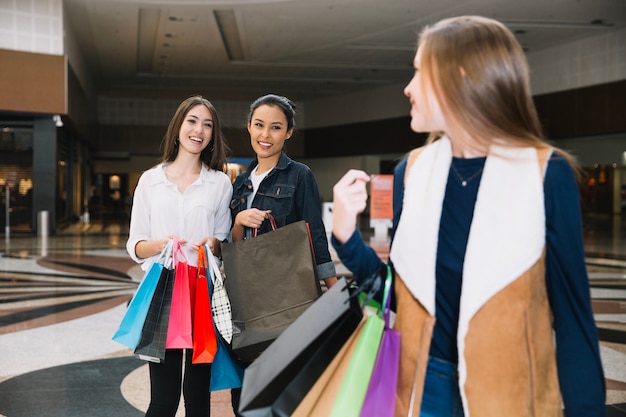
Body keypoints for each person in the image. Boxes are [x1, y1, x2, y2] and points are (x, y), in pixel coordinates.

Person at [331, 16, 606, 417]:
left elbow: (573, 321)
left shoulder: (544, 173)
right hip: (420, 389)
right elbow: (394, 297)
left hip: (507, 394)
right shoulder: (414, 170)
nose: (407, 88)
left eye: (419, 72)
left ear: (458, 76)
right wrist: (345, 235)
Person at [228, 93, 338, 414]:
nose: (266, 135)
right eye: (259, 125)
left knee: (286, 386)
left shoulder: (300, 175)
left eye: (275, 127)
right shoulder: (240, 183)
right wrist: (239, 221)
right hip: (248, 299)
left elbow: (314, 235)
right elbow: (232, 246)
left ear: (288, 132)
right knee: (247, 385)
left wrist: (333, 294)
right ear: (248, 127)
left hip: (288, 296)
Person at [126, 95, 233, 417]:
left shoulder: (219, 184)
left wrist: (215, 243)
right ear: (178, 127)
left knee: (198, 400)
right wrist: (160, 244)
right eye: (192, 121)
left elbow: (225, 241)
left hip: (203, 291)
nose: (198, 130)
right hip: (164, 291)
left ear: (212, 135)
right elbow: (135, 246)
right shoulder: (150, 181)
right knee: (163, 399)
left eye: (207, 124)